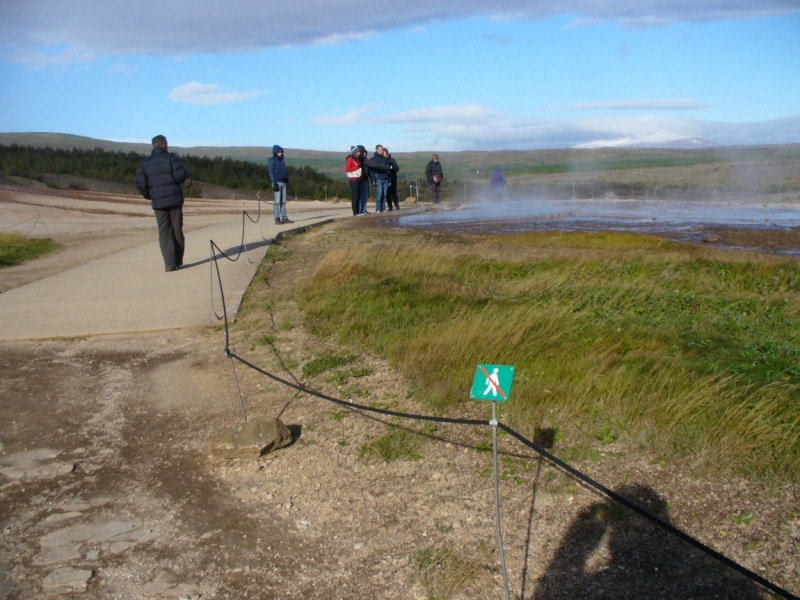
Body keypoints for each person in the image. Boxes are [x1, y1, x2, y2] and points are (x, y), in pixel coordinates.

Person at [135, 135, 187, 272]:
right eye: (167, 143)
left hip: (158, 202)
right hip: (175, 200)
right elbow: (180, 176)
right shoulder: (171, 158)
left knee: (164, 232)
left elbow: (140, 183)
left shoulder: (145, 163)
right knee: (177, 230)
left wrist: (150, 195)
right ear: (163, 144)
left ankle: (169, 264)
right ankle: (178, 261)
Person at [268, 145, 293, 224]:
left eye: (281, 152)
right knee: (277, 201)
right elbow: (271, 172)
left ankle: (284, 217)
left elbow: (284, 171)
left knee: (283, 201)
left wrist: (287, 181)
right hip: (277, 182)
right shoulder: (272, 160)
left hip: (284, 182)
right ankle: (277, 218)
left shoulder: (282, 160)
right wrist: (274, 183)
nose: (280, 153)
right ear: (275, 152)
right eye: (279, 152)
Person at [346, 145, 368, 216]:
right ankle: (355, 213)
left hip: (360, 180)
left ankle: (358, 212)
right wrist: (356, 167)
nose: (359, 153)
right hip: (353, 180)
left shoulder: (359, 160)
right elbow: (348, 169)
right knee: (355, 196)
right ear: (355, 152)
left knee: (359, 196)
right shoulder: (350, 159)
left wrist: (363, 180)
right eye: (358, 152)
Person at [369, 144, 390, 212]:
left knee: (384, 194)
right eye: (381, 149)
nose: (382, 150)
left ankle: (383, 208)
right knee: (380, 193)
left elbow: (388, 169)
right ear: (377, 149)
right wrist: (373, 179)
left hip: (385, 178)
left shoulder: (385, 159)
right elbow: (371, 170)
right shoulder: (373, 159)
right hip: (378, 178)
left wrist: (389, 179)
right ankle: (378, 208)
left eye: (382, 149)